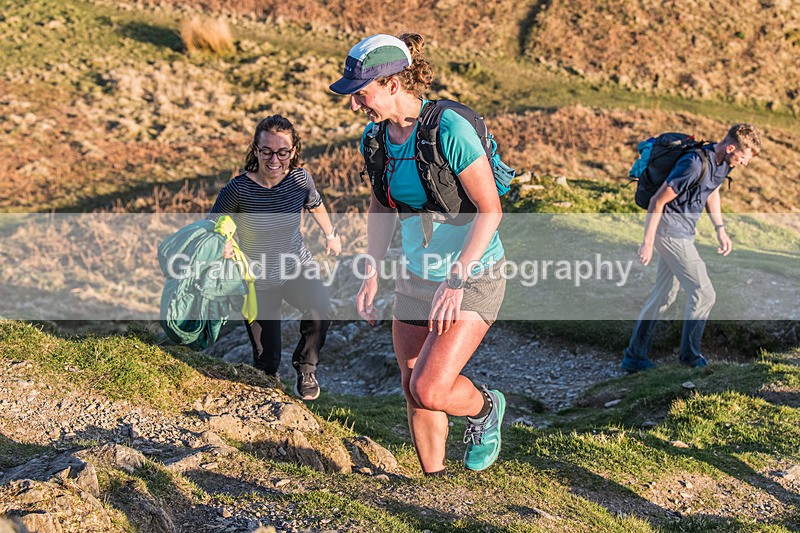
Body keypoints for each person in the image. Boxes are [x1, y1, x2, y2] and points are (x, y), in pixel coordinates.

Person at [330, 33, 507, 475]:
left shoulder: (450, 129)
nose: (355, 105)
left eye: (361, 94)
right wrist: (371, 273)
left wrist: (456, 279)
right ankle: (435, 481)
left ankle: (485, 408)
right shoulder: (375, 140)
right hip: (415, 274)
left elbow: (491, 209)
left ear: (392, 84)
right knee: (412, 384)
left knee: (431, 387)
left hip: (473, 273)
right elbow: (380, 205)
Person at [210, 114, 342, 400]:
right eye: (267, 151)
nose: (274, 159)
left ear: (293, 151)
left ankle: (306, 368)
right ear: (255, 150)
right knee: (266, 361)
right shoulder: (237, 190)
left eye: (282, 152)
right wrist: (224, 243)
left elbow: (315, 204)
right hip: (256, 280)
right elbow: (214, 226)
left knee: (320, 307)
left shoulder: (299, 180)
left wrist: (331, 235)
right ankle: (271, 400)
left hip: (295, 267)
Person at [621, 124, 761, 373]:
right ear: (731, 148)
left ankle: (634, 357)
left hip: (683, 232)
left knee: (664, 295)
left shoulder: (722, 163)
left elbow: (712, 191)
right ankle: (691, 358)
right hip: (671, 233)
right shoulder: (693, 163)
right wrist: (648, 242)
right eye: (744, 157)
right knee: (704, 292)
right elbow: (657, 200)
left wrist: (720, 229)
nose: (744, 164)